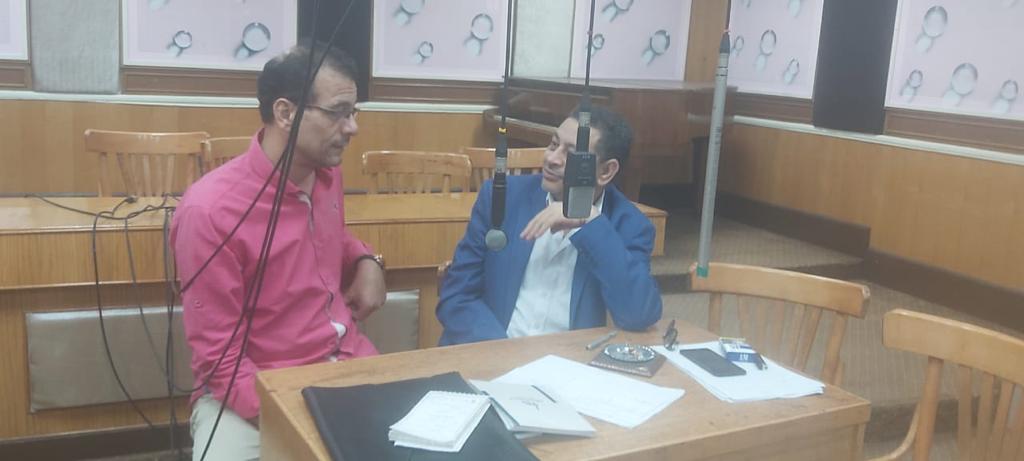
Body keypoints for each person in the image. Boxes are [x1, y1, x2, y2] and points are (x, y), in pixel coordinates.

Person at [171, 41, 385, 460]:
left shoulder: (326, 175)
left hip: (344, 360)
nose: (352, 128)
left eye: (354, 112)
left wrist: (366, 259)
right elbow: (220, 359)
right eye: (338, 112)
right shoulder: (210, 212)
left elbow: (324, 238)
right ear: (286, 113)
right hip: (249, 387)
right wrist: (298, 421)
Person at [437, 106, 662, 345]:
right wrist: (505, 351)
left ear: (606, 171)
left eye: (571, 154)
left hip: (568, 359)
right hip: (493, 348)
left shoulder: (628, 224)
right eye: (553, 145)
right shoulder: (502, 198)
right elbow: (457, 296)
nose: (552, 159)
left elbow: (639, 315)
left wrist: (590, 223)